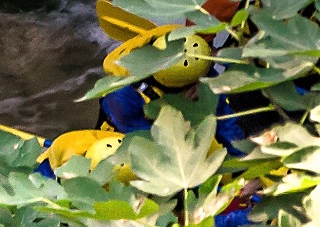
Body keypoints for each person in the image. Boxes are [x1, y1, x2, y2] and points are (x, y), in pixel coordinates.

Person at [97, 30, 256, 152]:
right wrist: (182, 118)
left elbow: (225, 120)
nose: (200, 87)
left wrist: (243, 156)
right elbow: (144, 142)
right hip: (128, 131)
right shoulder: (123, 95)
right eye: (194, 85)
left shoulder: (197, 65)